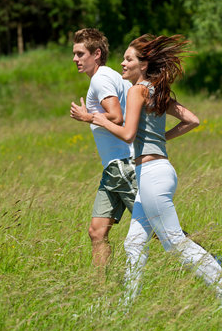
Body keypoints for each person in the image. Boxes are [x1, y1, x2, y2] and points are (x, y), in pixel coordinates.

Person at [92, 34, 222, 301]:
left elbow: (128, 134)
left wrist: (97, 119)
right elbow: (192, 120)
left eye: (128, 59)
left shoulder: (137, 90)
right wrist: (161, 138)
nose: (122, 63)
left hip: (151, 174)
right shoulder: (156, 91)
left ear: (143, 64)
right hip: (157, 171)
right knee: (134, 242)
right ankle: (124, 308)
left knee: (174, 241)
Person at [70, 28, 138, 269]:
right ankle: (101, 295)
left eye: (80, 53)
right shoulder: (109, 76)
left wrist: (87, 117)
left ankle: (212, 263)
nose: (75, 59)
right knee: (96, 232)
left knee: (159, 231)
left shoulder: (100, 79)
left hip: (124, 164)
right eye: (75, 54)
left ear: (96, 53)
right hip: (113, 169)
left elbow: (116, 117)